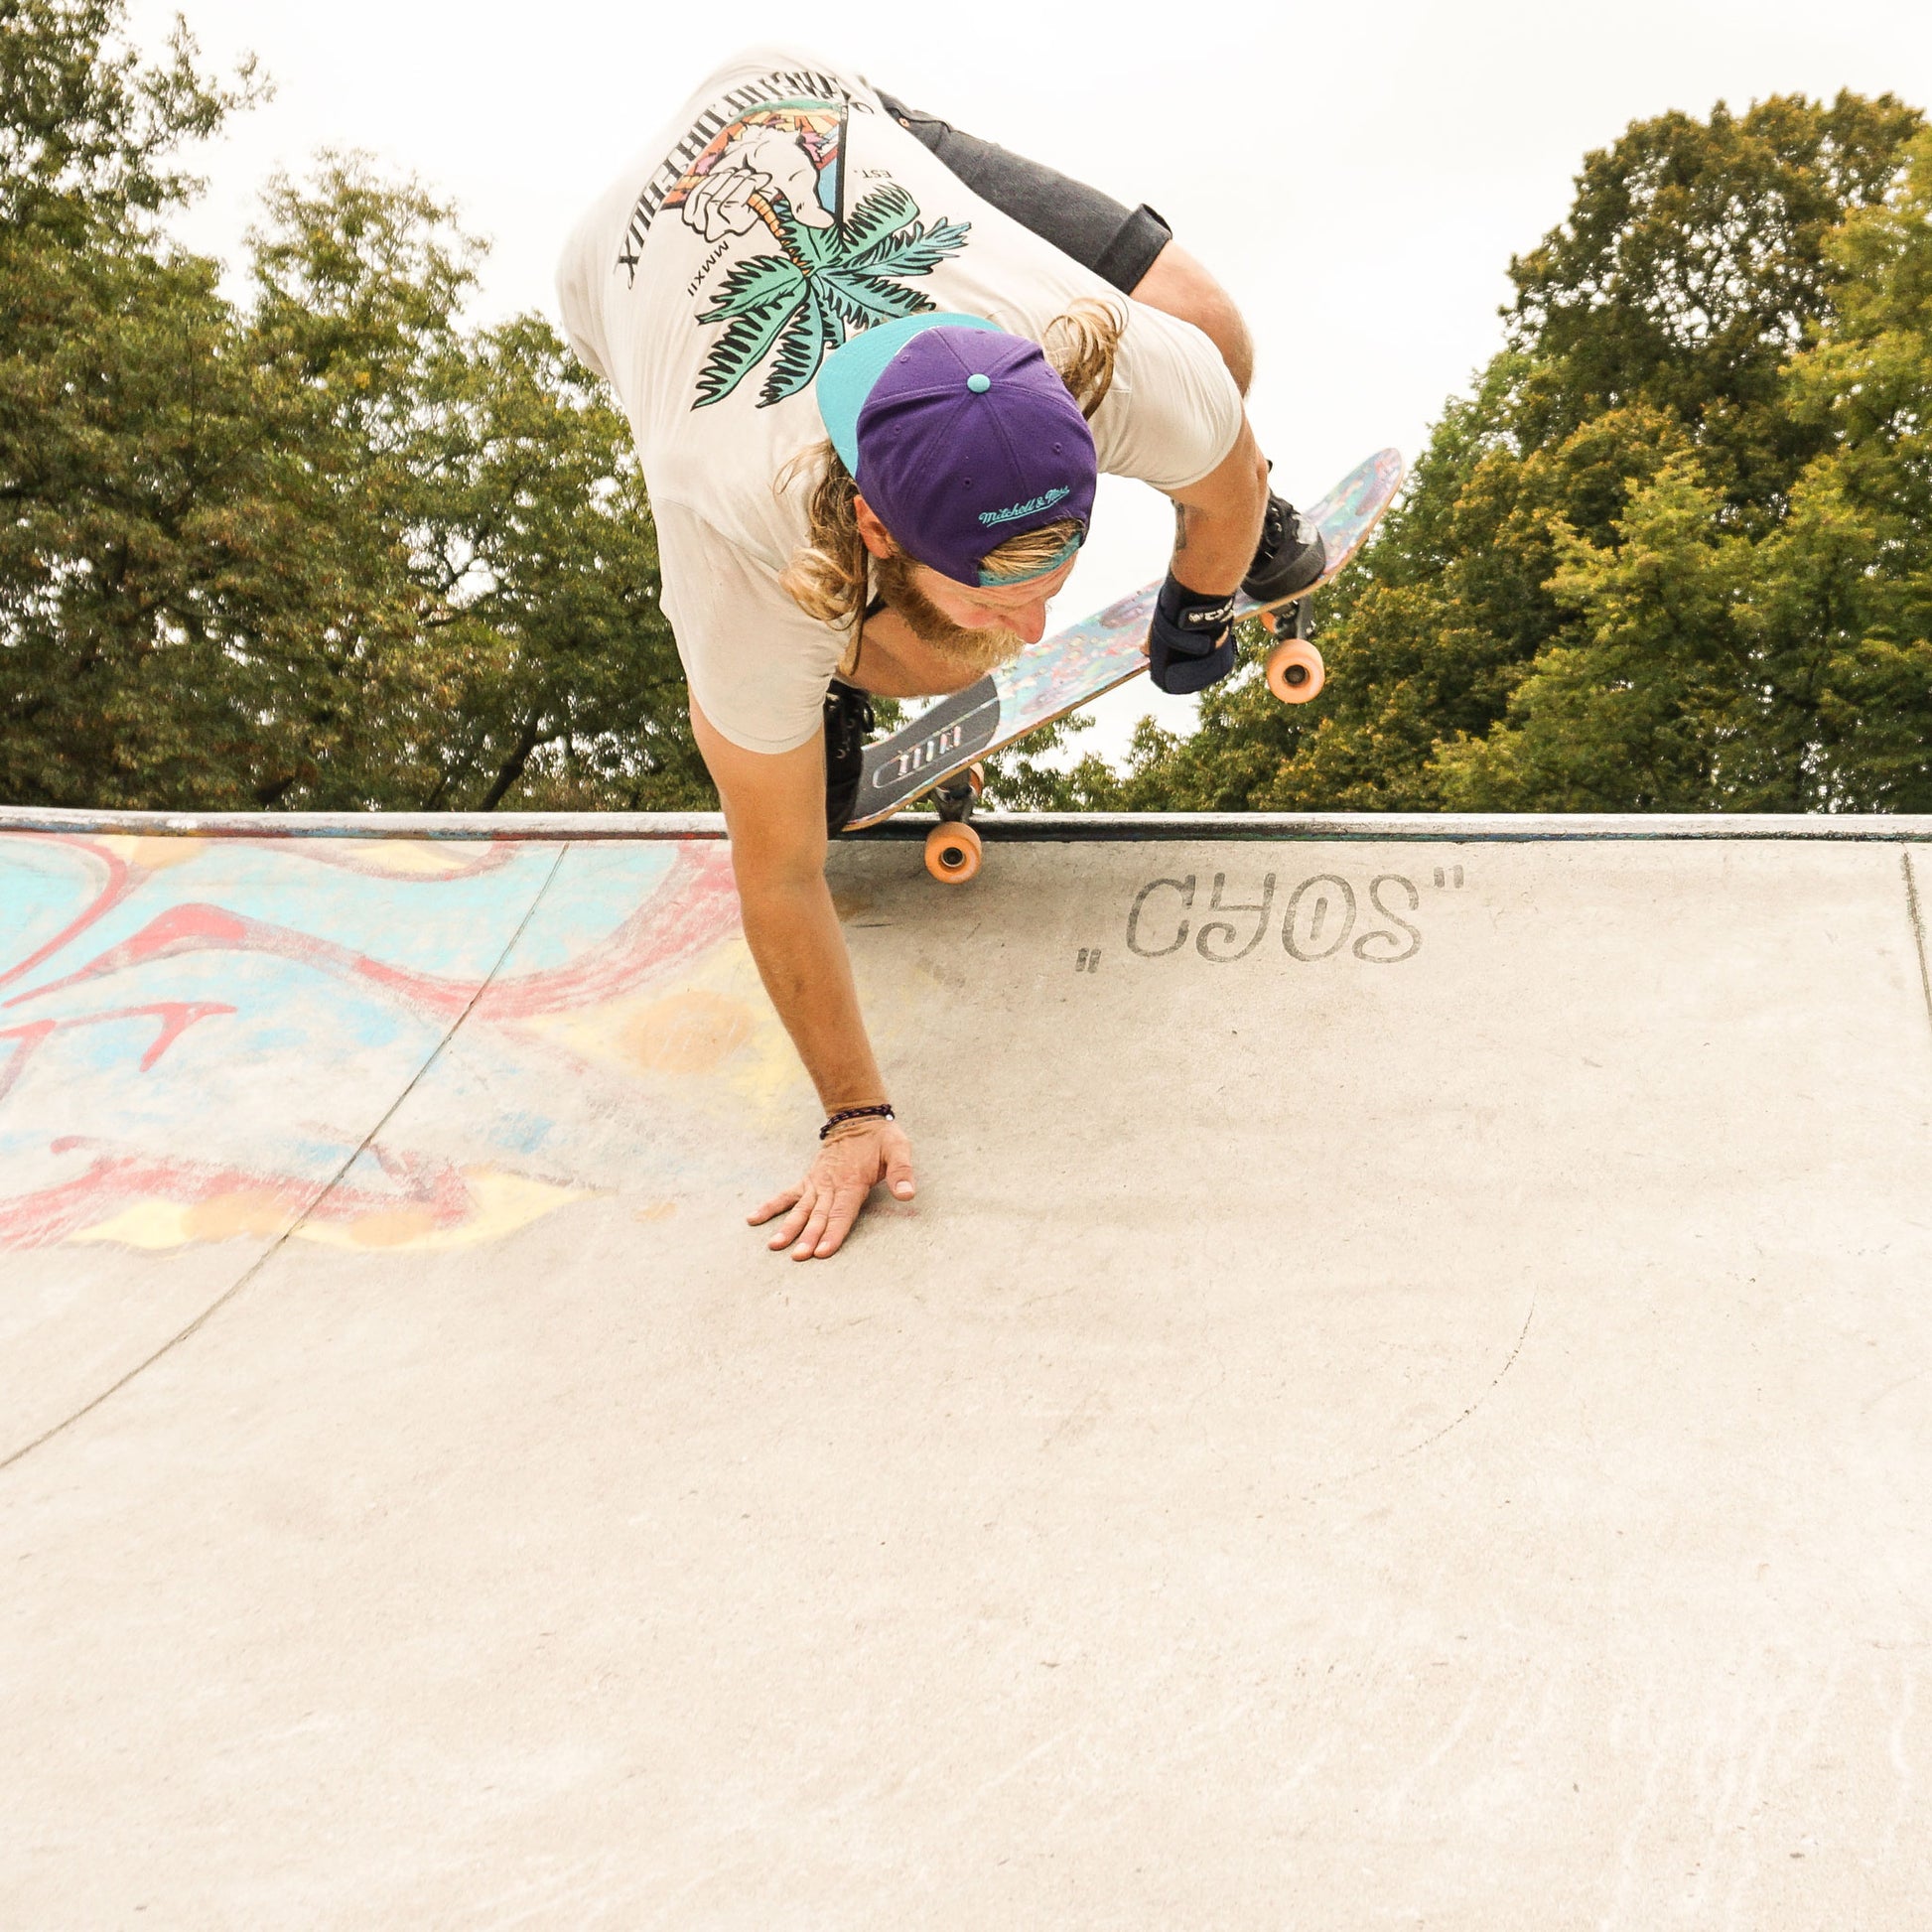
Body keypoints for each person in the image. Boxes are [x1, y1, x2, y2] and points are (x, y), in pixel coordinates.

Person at [557, 49, 1322, 1260]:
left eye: (1050, 583)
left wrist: (1199, 596)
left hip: (822, 111)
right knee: (910, 658)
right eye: (998, 596)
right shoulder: (739, 546)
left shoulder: (1113, 361)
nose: (1032, 633)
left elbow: (1223, 473)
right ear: (868, 525)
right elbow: (777, 873)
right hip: (629, 266)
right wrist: (852, 1111)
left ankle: (944, 613)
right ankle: (838, 693)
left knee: (1219, 335)